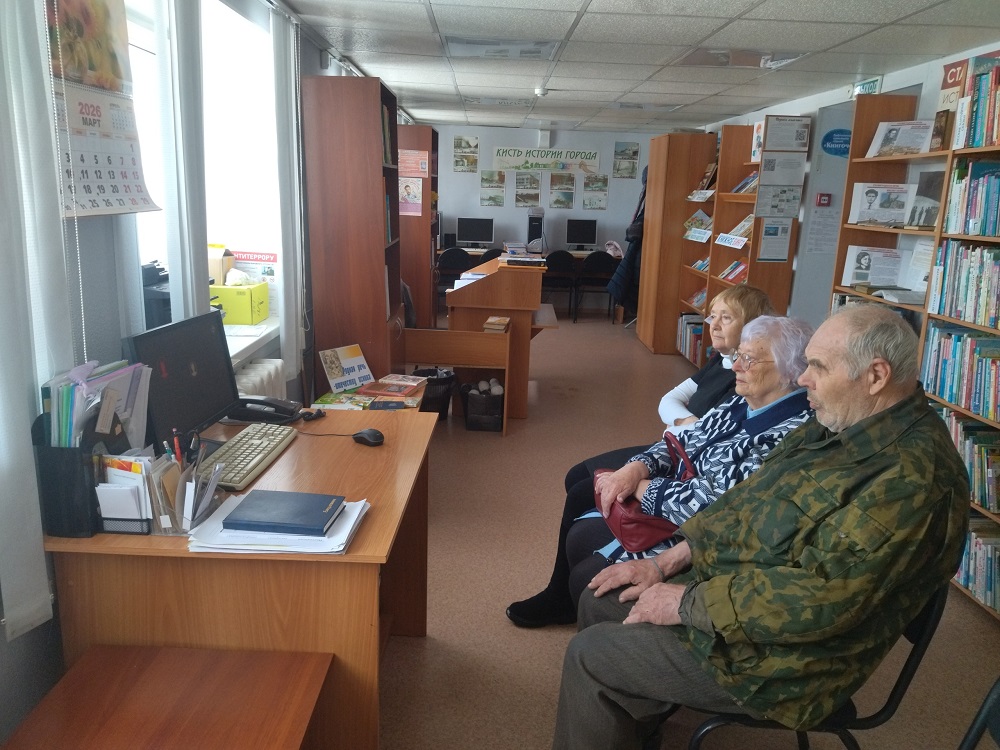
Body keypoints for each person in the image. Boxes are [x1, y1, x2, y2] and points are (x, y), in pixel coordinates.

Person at [551, 305, 970, 750]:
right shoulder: (841, 424)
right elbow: (747, 502)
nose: (803, 378)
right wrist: (663, 563)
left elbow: (826, 599)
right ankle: (629, 726)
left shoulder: (913, 479)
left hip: (788, 662)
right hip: (746, 598)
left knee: (591, 656)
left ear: (876, 376)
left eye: (818, 366)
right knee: (601, 599)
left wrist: (686, 602)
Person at [505, 285, 774, 629]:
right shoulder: (720, 362)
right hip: (670, 448)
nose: (714, 325)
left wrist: (682, 431)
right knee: (577, 476)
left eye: (727, 318)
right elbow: (668, 402)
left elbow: (706, 446)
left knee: (582, 490)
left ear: (753, 327)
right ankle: (566, 581)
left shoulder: (745, 377)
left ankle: (560, 594)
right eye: (712, 316)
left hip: (682, 462)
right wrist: (688, 424)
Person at [562, 315, 813, 607]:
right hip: (668, 507)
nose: (735, 366)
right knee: (579, 535)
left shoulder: (790, 434)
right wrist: (635, 468)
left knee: (585, 579)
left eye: (749, 359)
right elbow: (682, 441)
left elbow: (714, 507)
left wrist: (641, 486)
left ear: (789, 371)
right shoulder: (741, 401)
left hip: (699, 541)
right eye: (739, 355)